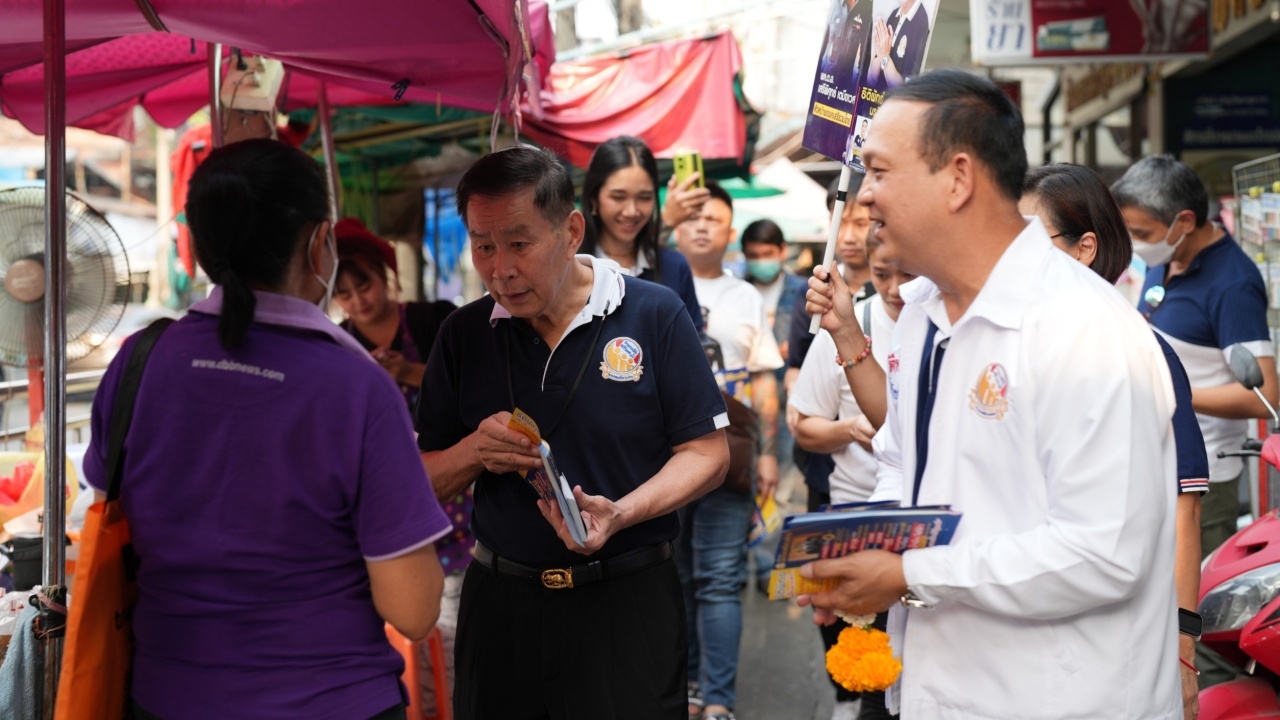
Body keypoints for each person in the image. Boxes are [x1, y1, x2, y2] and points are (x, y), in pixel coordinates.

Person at [803, 70, 1181, 719]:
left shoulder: (1082, 329)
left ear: (957, 178)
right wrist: (862, 556)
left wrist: (909, 576)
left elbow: (1103, 553)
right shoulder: (922, 314)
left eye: (879, 171)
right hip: (939, 692)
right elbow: (904, 469)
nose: (864, 198)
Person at [84, 139, 449, 720]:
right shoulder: (356, 386)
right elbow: (413, 609)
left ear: (201, 248)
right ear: (318, 244)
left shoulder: (139, 361)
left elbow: (107, 518)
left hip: (165, 698)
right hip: (331, 701)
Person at [415, 146, 730, 720]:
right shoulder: (461, 335)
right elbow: (420, 481)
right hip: (502, 606)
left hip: (628, 603)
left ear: (571, 230)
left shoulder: (653, 314)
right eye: (482, 245)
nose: (500, 268)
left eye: (518, 243)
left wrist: (623, 513)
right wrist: (473, 452)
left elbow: (708, 453)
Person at [1022, 162, 1210, 720]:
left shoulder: (1141, 349)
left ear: (1084, 248)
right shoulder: (1006, 348)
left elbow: (1184, 511)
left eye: (1029, 241)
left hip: (1121, 648)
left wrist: (1182, 645)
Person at [331, 218, 468, 718]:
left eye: (363, 284)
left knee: (468, 623)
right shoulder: (338, 347)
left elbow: (473, 388)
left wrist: (407, 372)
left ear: (387, 275)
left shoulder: (437, 321)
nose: (358, 300)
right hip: (394, 511)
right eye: (343, 293)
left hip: (465, 499)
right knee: (423, 632)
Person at [1112, 155, 1279, 557]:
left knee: (1194, 601)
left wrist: (1169, 392)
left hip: (1203, 476)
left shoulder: (1232, 285)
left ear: (1184, 221)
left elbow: (1265, 395)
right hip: (1153, 459)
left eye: (1141, 232)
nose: (1135, 242)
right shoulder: (1167, 259)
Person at [790, 225, 913, 720]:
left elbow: (901, 438)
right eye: (883, 274)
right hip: (857, 513)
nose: (897, 289)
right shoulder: (849, 324)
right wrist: (850, 430)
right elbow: (809, 427)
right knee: (863, 649)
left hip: (917, 535)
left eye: (910, 274)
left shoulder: (941, 322)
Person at [674, 182, 784, 720]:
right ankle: (688, 689)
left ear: (729, 228)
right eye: (692, 216)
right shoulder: (651, 282)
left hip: (728, 456)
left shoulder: (743, 296)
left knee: (719, 579)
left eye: (713, 219)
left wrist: (766, 453)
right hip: (660, 459)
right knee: (674, 576)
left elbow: (764, 379)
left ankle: (718, 701)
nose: (701, 226)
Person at [741, 219, 807, 588]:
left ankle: (766, 566)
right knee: (742, 486)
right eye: (753, 256)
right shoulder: (737, 291)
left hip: (783, 404)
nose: (761, 261)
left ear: (782, 253)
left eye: (767, 255)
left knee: (776, 489)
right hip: (741, 406)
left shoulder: (801, 292)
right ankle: (739, 563)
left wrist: (789, 352)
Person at [581, 135, 703, 328]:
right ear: (594, 199)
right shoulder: (570, 266)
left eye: (644, 197)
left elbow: (695, 346)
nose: (632, 211)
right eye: (618, 197)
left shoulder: (674, 266)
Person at [866, 0, 931, 93]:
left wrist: (884, 57)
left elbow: (905, 91)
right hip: (874, 101)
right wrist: (881, 54)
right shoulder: (894, 15)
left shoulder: (921, 25)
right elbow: (871, 80)